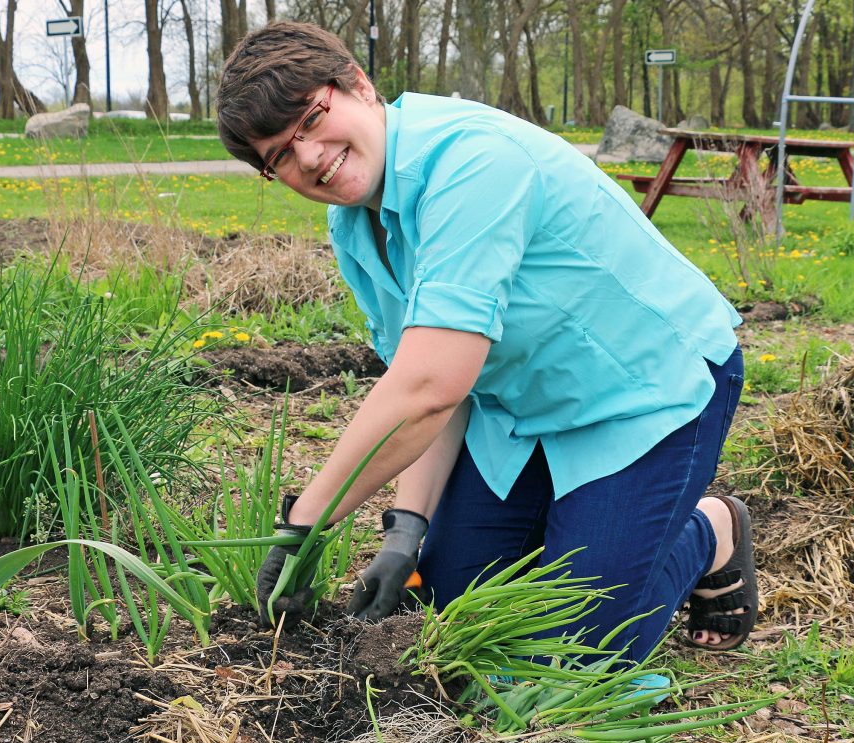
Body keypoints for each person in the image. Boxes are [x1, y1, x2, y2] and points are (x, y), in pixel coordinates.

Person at [217, 20, 757, 657]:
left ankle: (711, 532)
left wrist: (303, 524)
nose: (306, 157)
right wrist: (404, 532)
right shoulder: (355, 231)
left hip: (647, 393)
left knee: (572, 656)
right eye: (278, 155)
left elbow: (428, 391)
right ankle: (588, 534)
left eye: (310, 119)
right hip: (522, 412)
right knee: (458, 622)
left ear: (358, 85)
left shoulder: (472, 163)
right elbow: (423, 382)